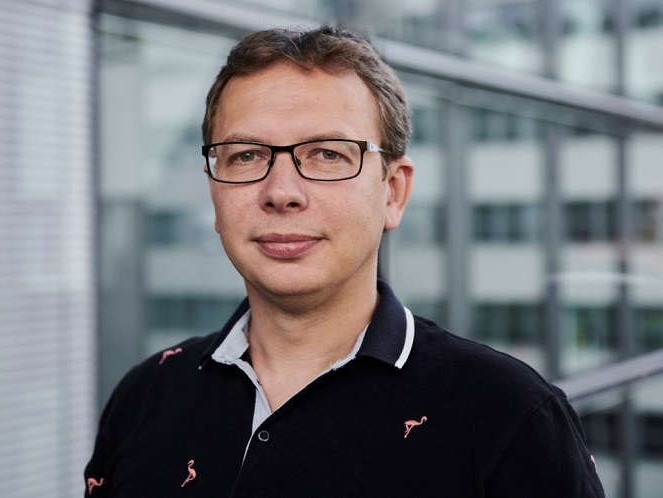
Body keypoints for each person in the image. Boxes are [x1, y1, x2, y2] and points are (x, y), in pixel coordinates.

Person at [84, 25, 605, 497]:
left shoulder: (510, 415)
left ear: (393, 193)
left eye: (327, 154)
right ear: (214, 193)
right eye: (245, 156)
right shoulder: (146, 395)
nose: (281, 192)